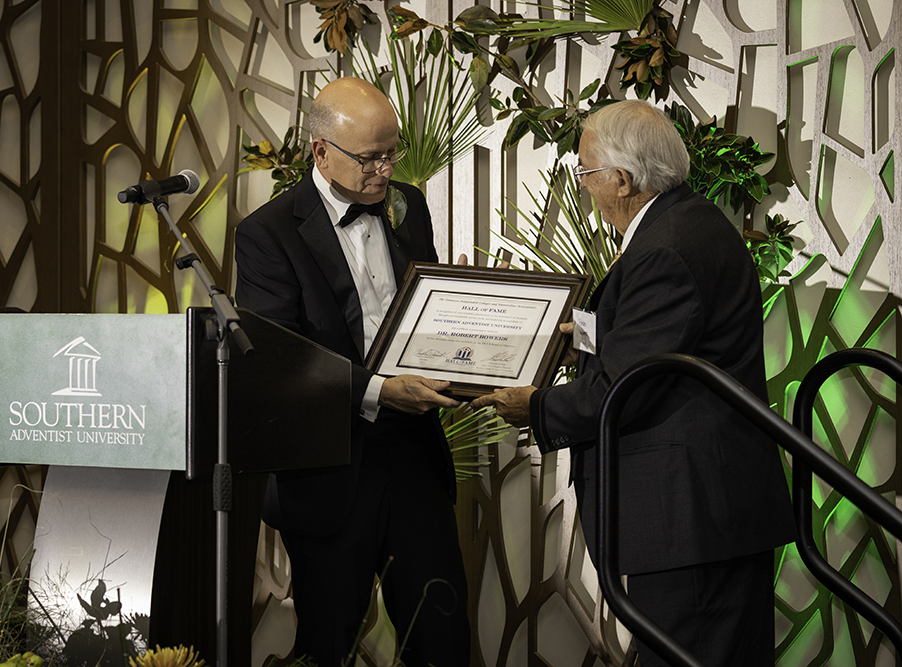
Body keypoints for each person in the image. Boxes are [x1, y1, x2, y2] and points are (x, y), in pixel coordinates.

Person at [471, 100, 796, 666]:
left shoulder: (664, 249)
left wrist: (536, 407)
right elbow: (662, 342)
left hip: (688, 518)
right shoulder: (689, 221)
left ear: (621, 180)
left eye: (585, 171)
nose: (584, 185)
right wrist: (578, 333)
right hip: (709, 513)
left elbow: (629, 388)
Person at [234, 77, 471, 667]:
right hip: (329, 469)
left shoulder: (408, 204)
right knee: (325, 643)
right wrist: (378, 391)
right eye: (370, 158)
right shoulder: (266, 234)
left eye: (392, 153)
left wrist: (459, 303)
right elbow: (278, 358)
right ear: (321, 152)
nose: (386, 170)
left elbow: (418, 314)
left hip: (414, 456)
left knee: (442, 638)